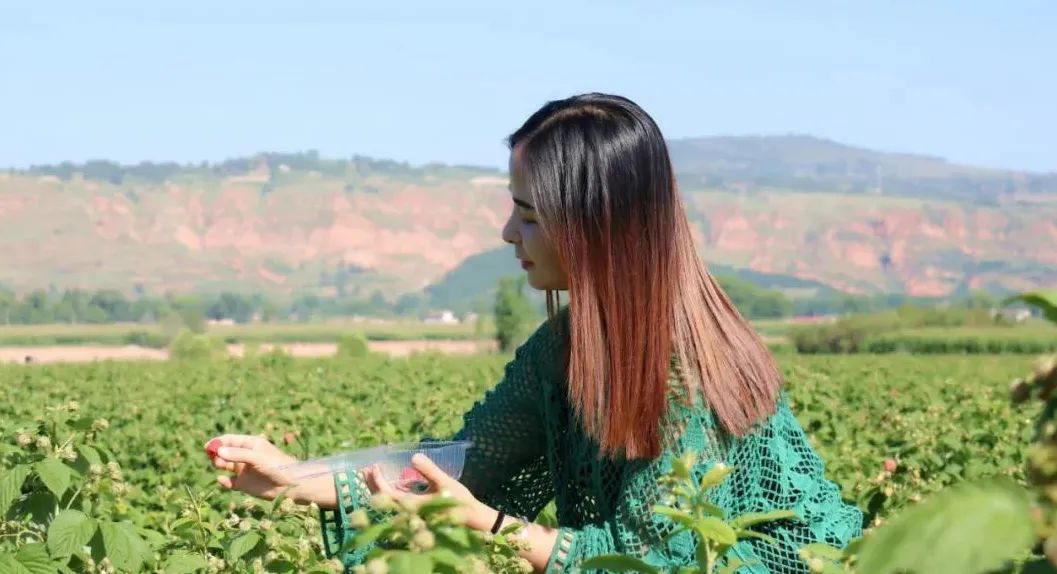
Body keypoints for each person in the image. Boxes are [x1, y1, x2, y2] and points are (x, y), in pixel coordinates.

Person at [206, 93, 863, 573]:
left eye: (527, 214)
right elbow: (464, 465)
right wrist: (294, 477)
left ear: (590, 225)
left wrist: (488, 525)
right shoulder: (564, 349)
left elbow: (654, 560)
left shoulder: (679, 368)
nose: (506, 233)